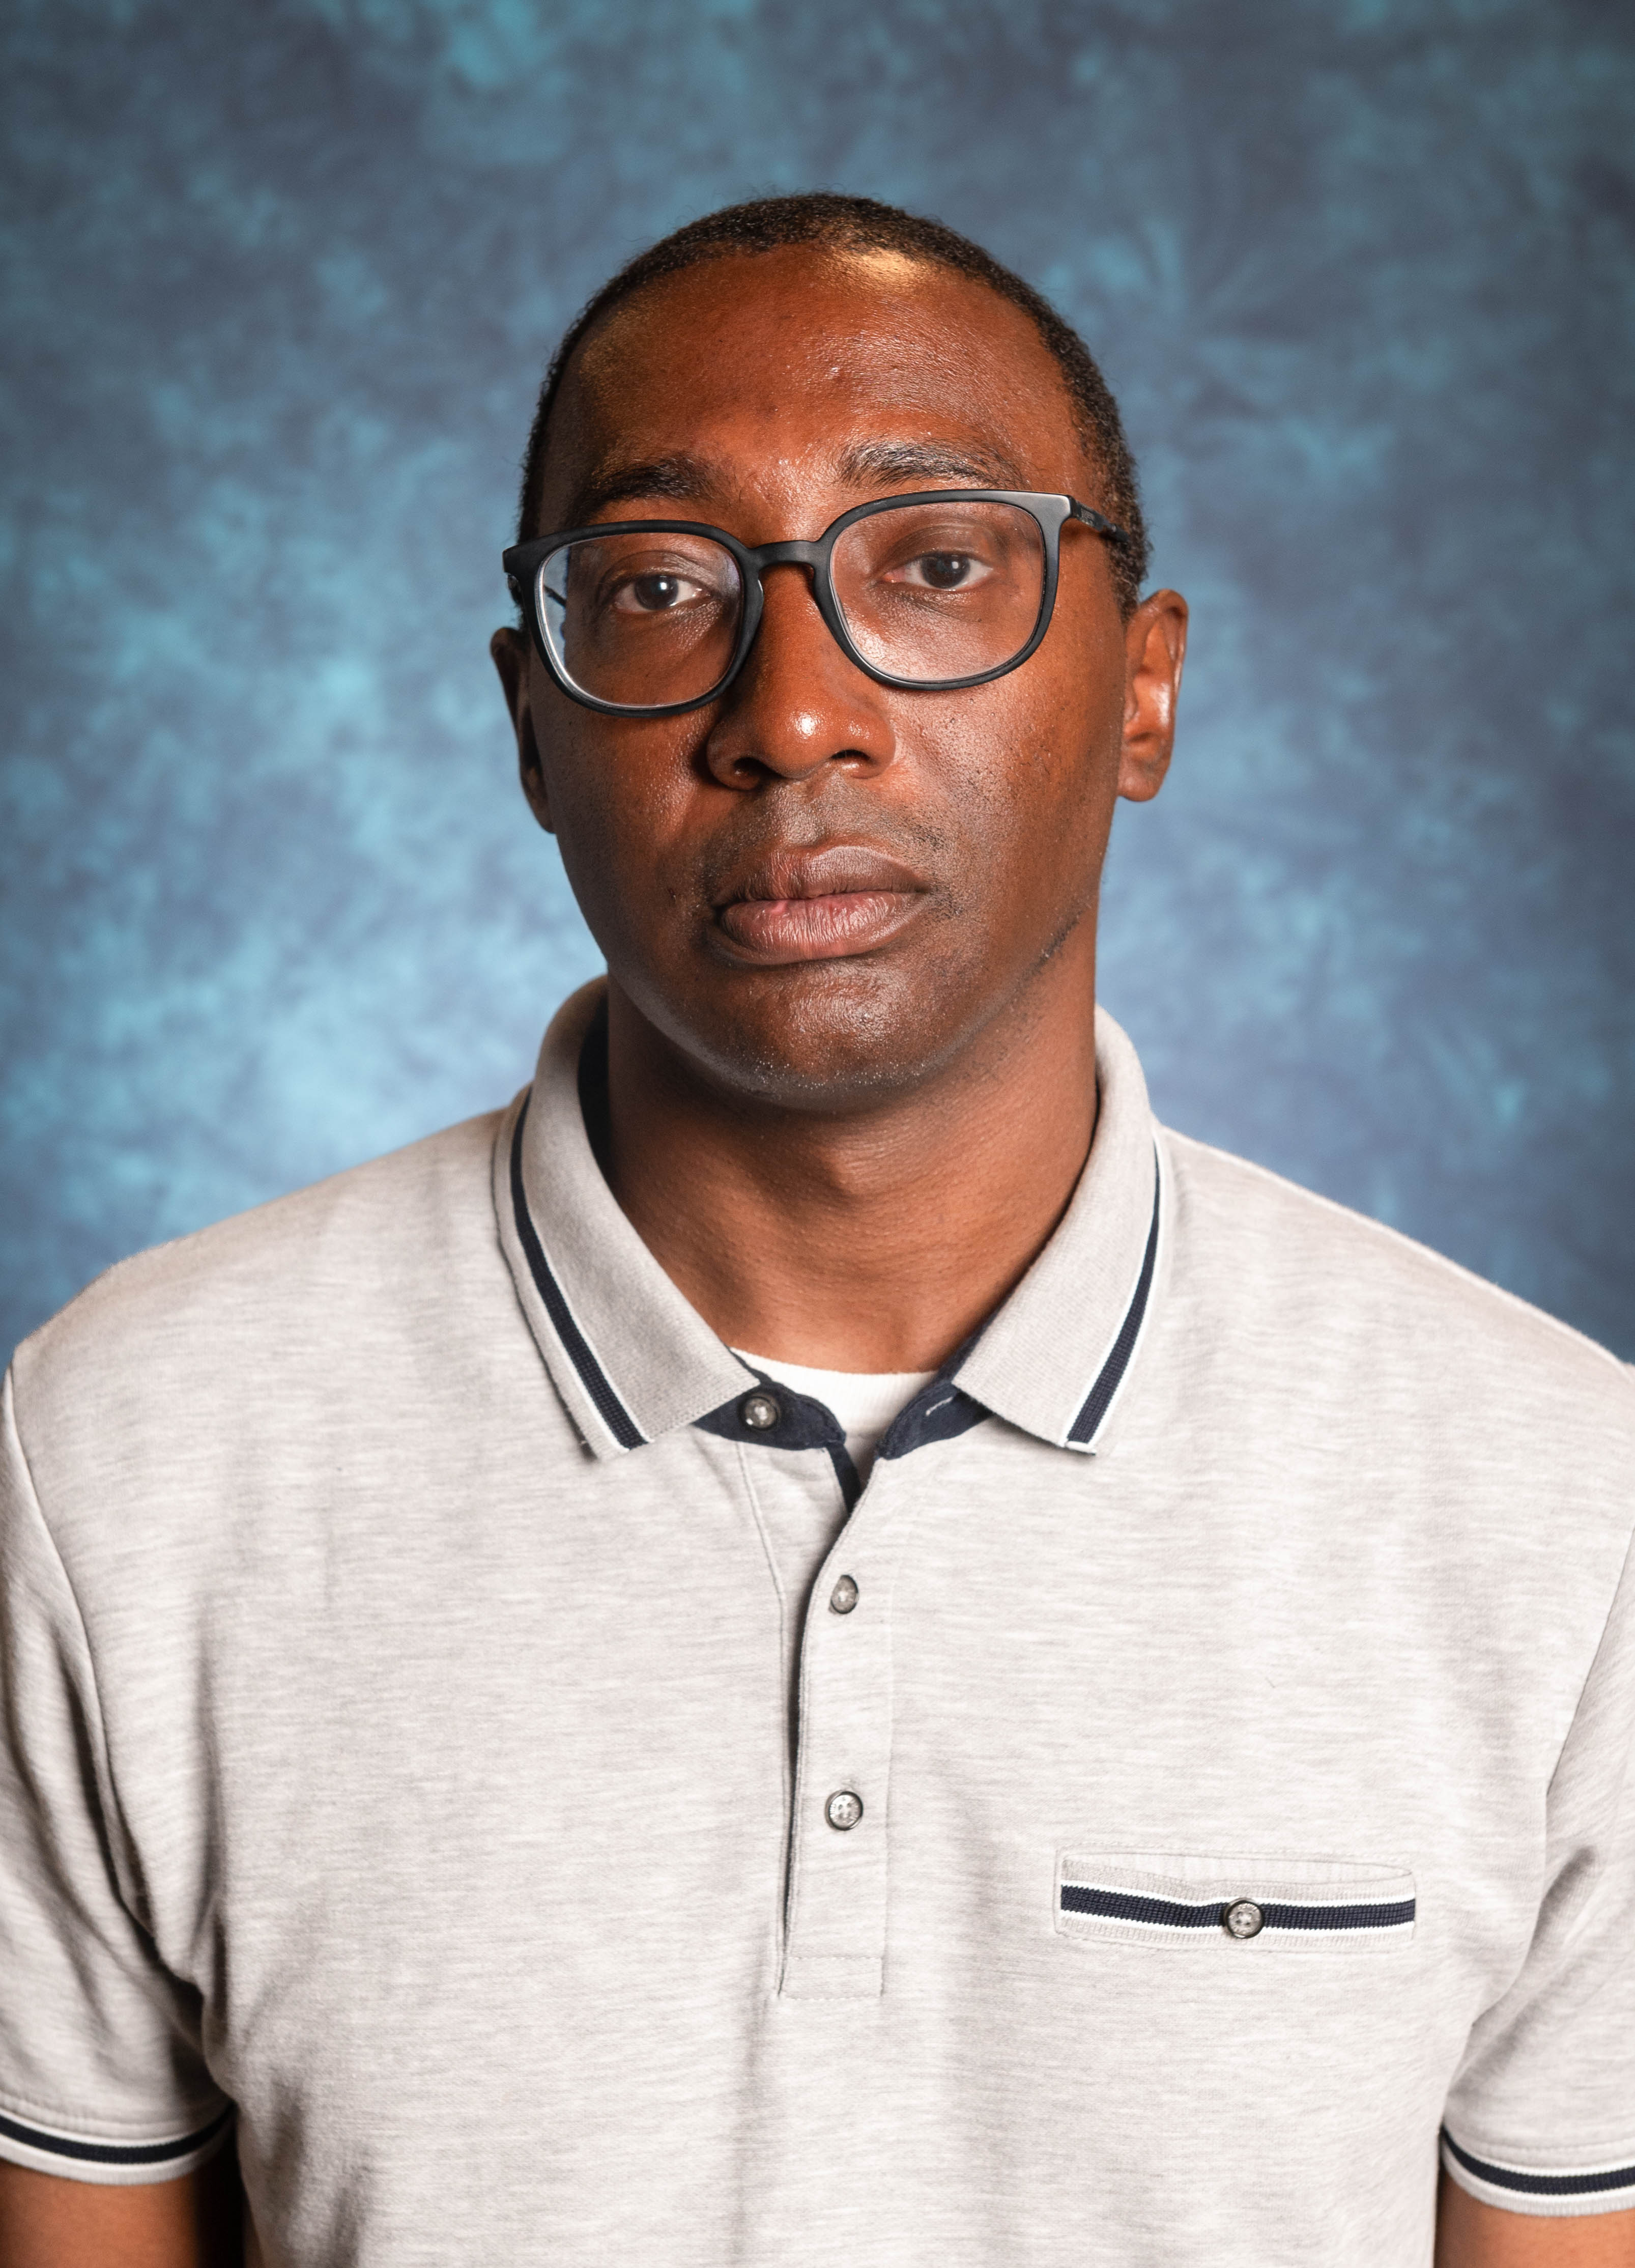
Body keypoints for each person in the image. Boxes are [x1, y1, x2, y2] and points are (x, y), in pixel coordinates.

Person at [1, 193, 1630, 2268]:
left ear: (1144, 690)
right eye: (665, 586)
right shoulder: (126, 1458)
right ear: (529, 721)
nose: (791, 715)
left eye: (936, 565)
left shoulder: (1563, 1511)